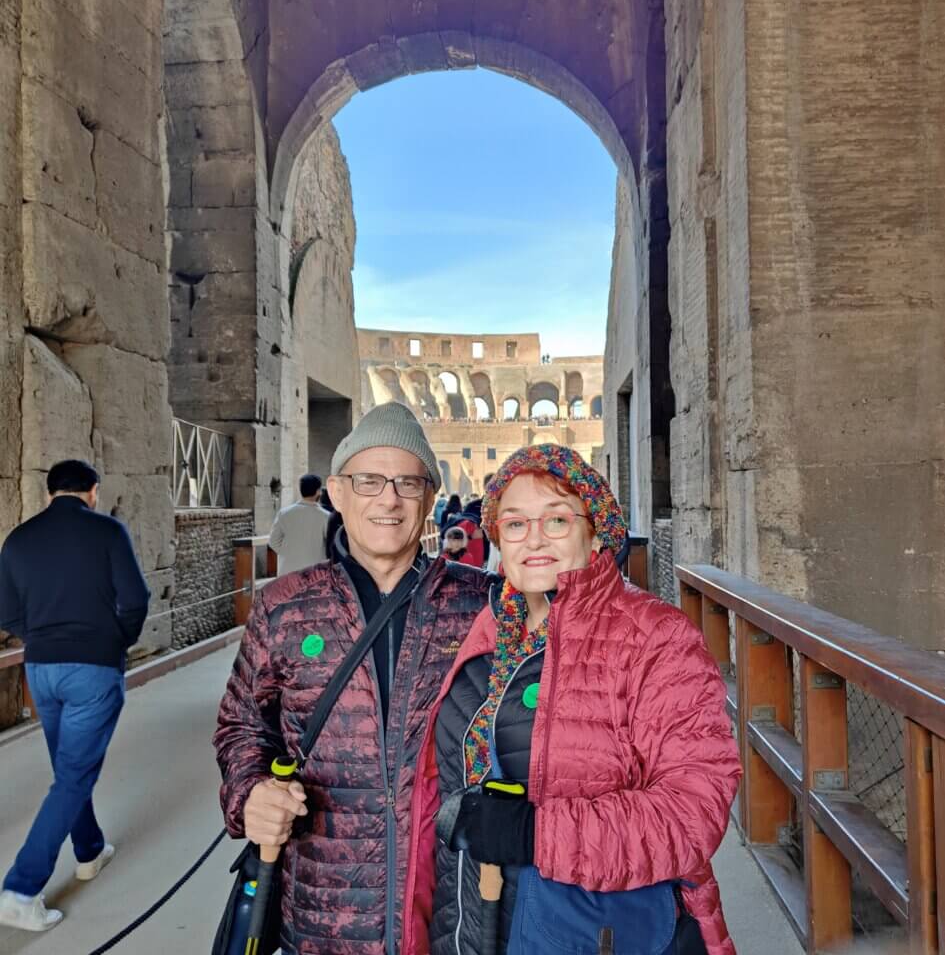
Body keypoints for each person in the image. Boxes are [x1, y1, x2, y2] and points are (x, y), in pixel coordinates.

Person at [402, 444, 742, 955]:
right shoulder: (492, 628)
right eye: (515, 524)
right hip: (473, 923)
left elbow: (693, 813)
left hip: (591, 934)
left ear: (595, 531)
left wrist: (536, 834)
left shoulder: (655, 637)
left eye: (556, 520)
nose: (533, 539)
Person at [214, 403, 493, 955]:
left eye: (407, 482)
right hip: (322, 906)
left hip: (450, 905)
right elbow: (242, 725)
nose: (388, 499)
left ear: (430, 498)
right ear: (338, 493)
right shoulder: (284, 607)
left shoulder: (483, 603)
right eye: (368, 480)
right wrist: (250, 793)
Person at [0, 459, 150, 932]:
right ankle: (21, 889)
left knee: (69, 770)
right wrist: (113, 640)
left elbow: (6, 612)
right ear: (93, 492)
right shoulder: (108, 531)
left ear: (49, 494)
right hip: (93, 668)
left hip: (41, 669)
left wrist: (41, 637)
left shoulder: (18, 539)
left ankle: (89, 851)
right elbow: (137, 597)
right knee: (71, 777)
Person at [268, 474, 330, 575]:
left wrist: (289, 553)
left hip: (287, 573)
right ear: (318, 491)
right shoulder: (325, 516)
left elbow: (273, 541)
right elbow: (330, 544)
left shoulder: (284, 513)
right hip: (314, 575)